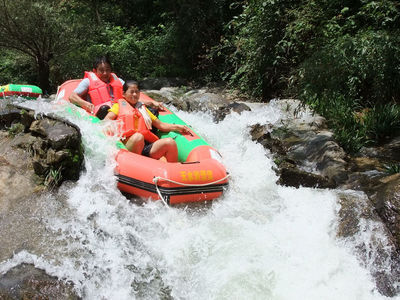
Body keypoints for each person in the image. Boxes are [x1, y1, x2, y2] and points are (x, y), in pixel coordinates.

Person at [104, 80, 190, 162]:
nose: (134, 94)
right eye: (131, 92)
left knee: (170, 142)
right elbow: (106, 121)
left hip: (144, 147)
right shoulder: (118, 106)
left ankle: (173, 172)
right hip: (127, 147)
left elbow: (161, 125)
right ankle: (136, 168)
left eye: (137, 92)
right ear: (124, 94)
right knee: (138, 137)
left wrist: (178, 127)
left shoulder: (143, 109)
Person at [69, 56, 164, 119]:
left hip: (120, 110)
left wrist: (152, 102)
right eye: (101, 70)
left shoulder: (118, 80)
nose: (105, 73)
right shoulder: (88, 81)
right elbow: (72, 96)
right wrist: (84, 103)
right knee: (104, 109)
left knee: (152, 111)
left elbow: (132, 92)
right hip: (102, 112)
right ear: (94, 71)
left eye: (107, 70)